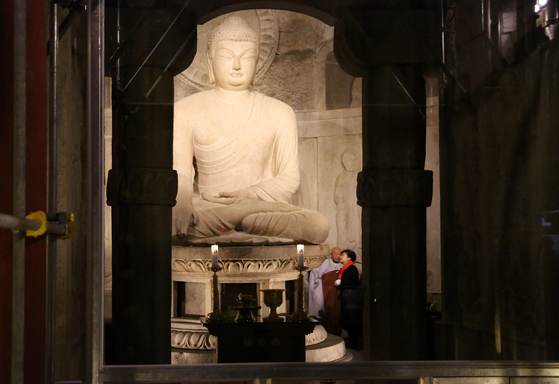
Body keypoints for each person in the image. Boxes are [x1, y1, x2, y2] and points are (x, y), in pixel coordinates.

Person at [173, 16, 329, 245]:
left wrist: (249, 196)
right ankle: (239, 217)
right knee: (169, 223)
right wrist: (182, 204)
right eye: (227, 56)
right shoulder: (186, 109)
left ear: (256, 63)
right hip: (209, 207)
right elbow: (181, 173)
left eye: (246, 57)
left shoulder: (280, 112)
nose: (236, 65)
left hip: (262, 211)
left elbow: (288, 178)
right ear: (210, 61)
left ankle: (242, 216)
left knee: (317, 225)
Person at [335, 249, 362, 349]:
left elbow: (354, 282)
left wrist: (341, 283)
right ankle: (352, 342)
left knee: (353, 321)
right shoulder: (345, 268)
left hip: (352, 299)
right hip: (347, 297)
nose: (341, 256)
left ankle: (355, 344)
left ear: (349, 258)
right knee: (348, 320)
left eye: (343, 254)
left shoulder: (351, 268)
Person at [306, 247, 342, 317]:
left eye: (339, 254)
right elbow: (315, 274)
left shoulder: (342, 265)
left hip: (336, 291)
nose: (338, 257)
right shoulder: (325, 262)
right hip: (323, 289)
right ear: (331, 255)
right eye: (336, 254)